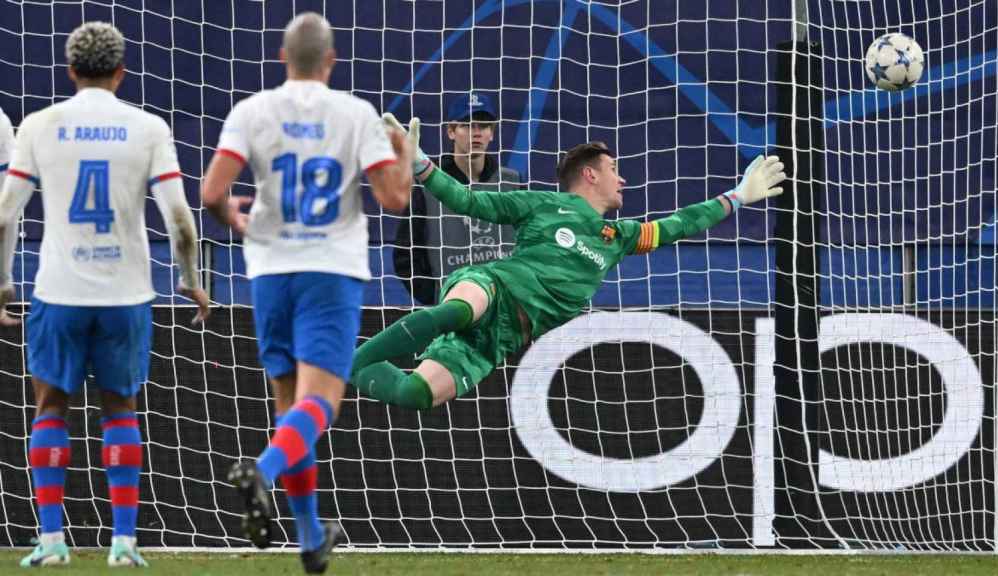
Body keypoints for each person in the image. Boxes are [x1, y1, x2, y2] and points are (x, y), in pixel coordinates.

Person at [350, 117, 785, 413]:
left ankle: (353, 367)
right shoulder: (542, 203)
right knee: (464, 307)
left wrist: (737, 197)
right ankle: (348, 361)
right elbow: (467, 199)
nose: (623, 179)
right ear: (590, 175)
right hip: (493, 286)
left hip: (502, 337)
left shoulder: (619, 237)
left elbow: (678, 224)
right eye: (614, 169)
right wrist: (422, 164)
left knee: (414, 394)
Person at [200, 12, 412, 574]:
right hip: (330, 270)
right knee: (321, 405)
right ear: (332, 61)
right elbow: (394, 199)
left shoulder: (252, 110)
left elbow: (212, 190)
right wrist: (404, 152)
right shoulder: (355, 113)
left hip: (269, 271)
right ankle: (262, 472)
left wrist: (232, 215)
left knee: (290, 407)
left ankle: (311, 538)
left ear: (281, 58)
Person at [0, 21, 210, 568]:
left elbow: (4, 216)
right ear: (121, 72)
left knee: (50, 407)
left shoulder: (38, 125)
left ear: (71, 70)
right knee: (120, 409)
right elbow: (181, 221)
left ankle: (50, 541)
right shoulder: (147, 128)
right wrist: (190, 279)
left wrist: (1, 282)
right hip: (126, 293)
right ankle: (123, 543)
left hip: (58, 292)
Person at [392, 92, 523, 305]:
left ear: (492, 133)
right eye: (468, 125)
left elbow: (530, 241)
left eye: (484, 125)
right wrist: (436, 296)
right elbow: (405, 254)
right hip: (453, 307)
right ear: (451, 132)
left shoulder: (512, 182)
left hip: (505, 305)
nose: (477, 133)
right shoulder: (425, 183)